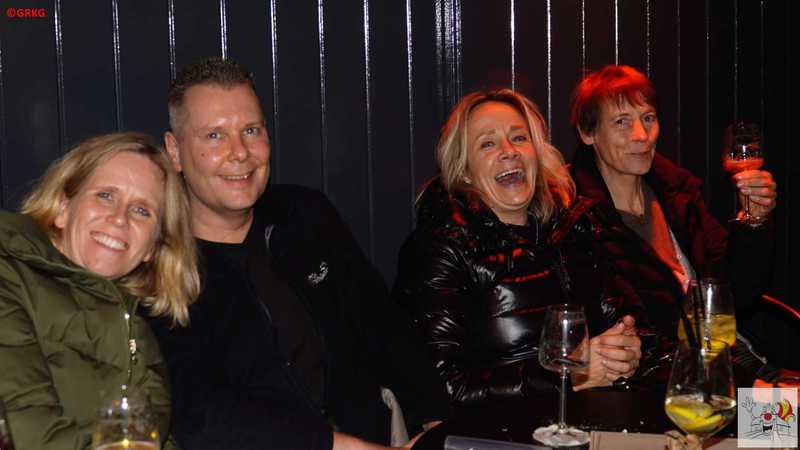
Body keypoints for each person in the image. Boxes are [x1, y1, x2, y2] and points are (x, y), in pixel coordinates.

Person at [148, 57, 450, 450]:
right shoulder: (160, 265)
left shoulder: (305, 215)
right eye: (214, 136)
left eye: (251, 130)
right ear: (174, 151)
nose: (240, 153)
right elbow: (202, 416)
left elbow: (383, 326)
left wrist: (438, 424)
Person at [392, 89, 642, 406]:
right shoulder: (442, 248)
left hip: (597, 418)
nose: (509, 151)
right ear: (465, 171)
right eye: (487, 143)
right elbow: (439, 388)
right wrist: (566, 374)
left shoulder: (574, 228)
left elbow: (632, 325)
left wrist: (629, 349)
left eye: (519, 138)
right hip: (500, 429)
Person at [568, 65, 777, 381]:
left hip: (727, 361)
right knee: (780, 413)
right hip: (671, 382)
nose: (641, 135)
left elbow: (738, 294)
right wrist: (745, 387)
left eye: (648, 118)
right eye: (622, 122)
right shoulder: (579, 218)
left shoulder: (676, 193)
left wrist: (754, 221)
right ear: (588, 133)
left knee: (787, 408)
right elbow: (635, 337)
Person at [0, 132, 199, 450]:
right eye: (106, 195)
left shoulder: (133, 328)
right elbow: (30, 434)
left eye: (142, 211)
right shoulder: (7, 273)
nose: (119, 219)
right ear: (63, 208)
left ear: (152, 248)